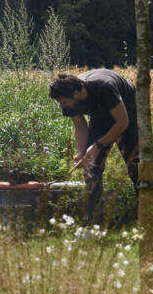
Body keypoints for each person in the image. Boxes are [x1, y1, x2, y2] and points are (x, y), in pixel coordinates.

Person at [48, 69, 139, 224]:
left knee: (135, 161)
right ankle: (96, 221)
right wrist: (81, 152)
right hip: (99, 116)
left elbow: (122, 123)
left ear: (77, 93)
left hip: (126, 110)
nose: (62, 106)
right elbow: (80, 126)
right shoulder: (67, 99)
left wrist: (97, 146)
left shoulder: (105, 87)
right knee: (91, 167)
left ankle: (150, 209)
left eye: (63, 102)